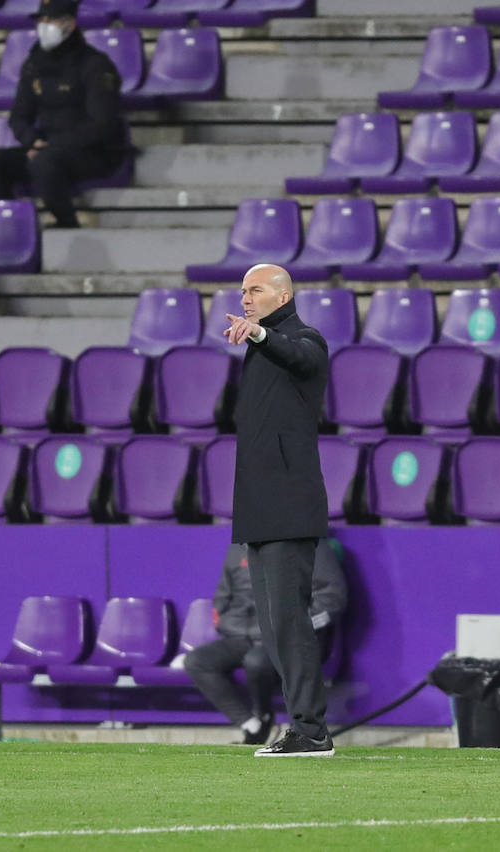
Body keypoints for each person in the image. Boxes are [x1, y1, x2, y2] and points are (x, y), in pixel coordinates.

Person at [222, 263, 335, 757]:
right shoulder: (262, 347)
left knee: (289, 620)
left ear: (283, 295)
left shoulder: (302, 338)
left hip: (290, 503)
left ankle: (312, 731)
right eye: (243, 291)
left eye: (256, 290)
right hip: (261, 505)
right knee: (273, 627)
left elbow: (302, 356)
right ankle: (302, 727)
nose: (246, 298)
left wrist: (263, 334)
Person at [0, 0, 127, 229]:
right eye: (41, 20)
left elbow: (102, 124)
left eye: (51, 21)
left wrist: (52, 146)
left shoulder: (95, 65)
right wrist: (31, 140)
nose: (43, 26)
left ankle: (67, 224)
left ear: (70, 24)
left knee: (44, 163)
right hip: (48, 150)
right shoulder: (34, 64)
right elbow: (19, 116)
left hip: (93, 153)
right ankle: (15, 227)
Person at [185, 538, 348, 745]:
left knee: (257, 661)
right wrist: (232, 624)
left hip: (285, 638)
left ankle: (264, 714)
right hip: (240, 634)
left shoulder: (314, 546)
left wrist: (290, 628)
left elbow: (332, 599)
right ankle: (251, 725)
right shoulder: (237, 548)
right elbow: (222, 598)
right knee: (197, 661)